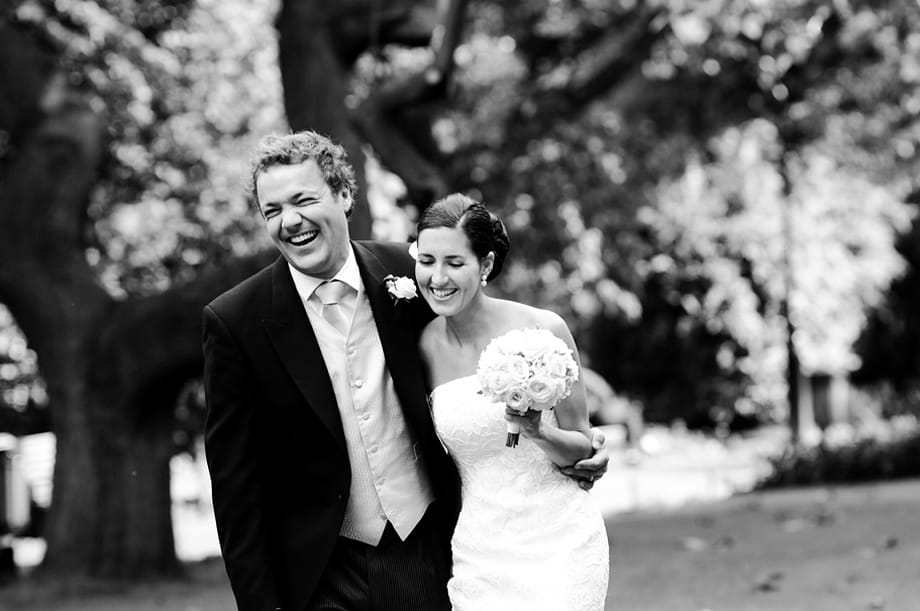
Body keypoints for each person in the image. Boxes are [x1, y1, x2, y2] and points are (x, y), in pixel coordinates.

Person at [202, 130, 609, 611]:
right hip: (318, 572)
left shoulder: (414, 275)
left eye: (303, 200)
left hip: (428, 550)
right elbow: (236, 488)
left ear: (344, 194)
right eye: (272, 210)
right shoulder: (235, 321)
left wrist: (576, 439)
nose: (290, 221)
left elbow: (486, 337)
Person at [416, 193, 610, 610]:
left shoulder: (543, 330)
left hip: (560, 546)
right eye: (427, 261)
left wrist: (539, 430)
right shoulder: (423, 344)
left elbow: (582, 444)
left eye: (454, 262)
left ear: (485, 265)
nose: (438, 277)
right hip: (479, 552)